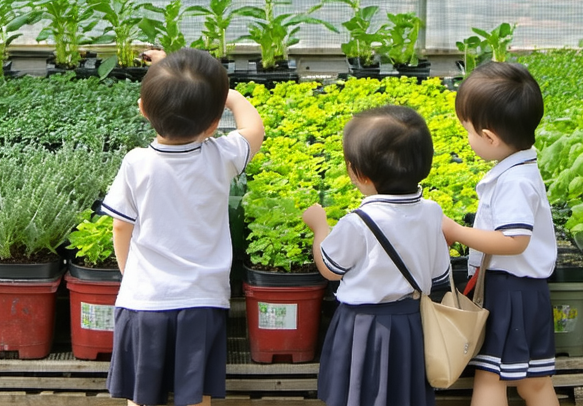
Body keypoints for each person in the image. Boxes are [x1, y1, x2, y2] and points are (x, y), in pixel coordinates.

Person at [101, 47, 265, 406]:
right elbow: (254, 128)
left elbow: (120, 228)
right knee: (195, 393)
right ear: (211, 125)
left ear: (143, 109)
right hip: (202, 300)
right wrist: (230, 95)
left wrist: (131, 275)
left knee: (141, 394)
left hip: (144, 300)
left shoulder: (136, 163)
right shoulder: (221, 157)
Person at [302, 105, 451, 406]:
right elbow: (439, 276)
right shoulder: (432, 213)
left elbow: (330, 268)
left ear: (359, 174)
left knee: (358, 394)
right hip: (410, 325)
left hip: (362, 326)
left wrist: (319, 227)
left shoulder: (358, 221)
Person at [441, 62, 559, 406]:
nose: (468, 138)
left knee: (490, 380)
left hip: (511, 293)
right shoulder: (521, 168)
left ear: (489, 137)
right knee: (534, 383)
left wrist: (456, 231)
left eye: (469, 131)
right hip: (529, 293)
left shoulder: (514, 182)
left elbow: (513, 241)